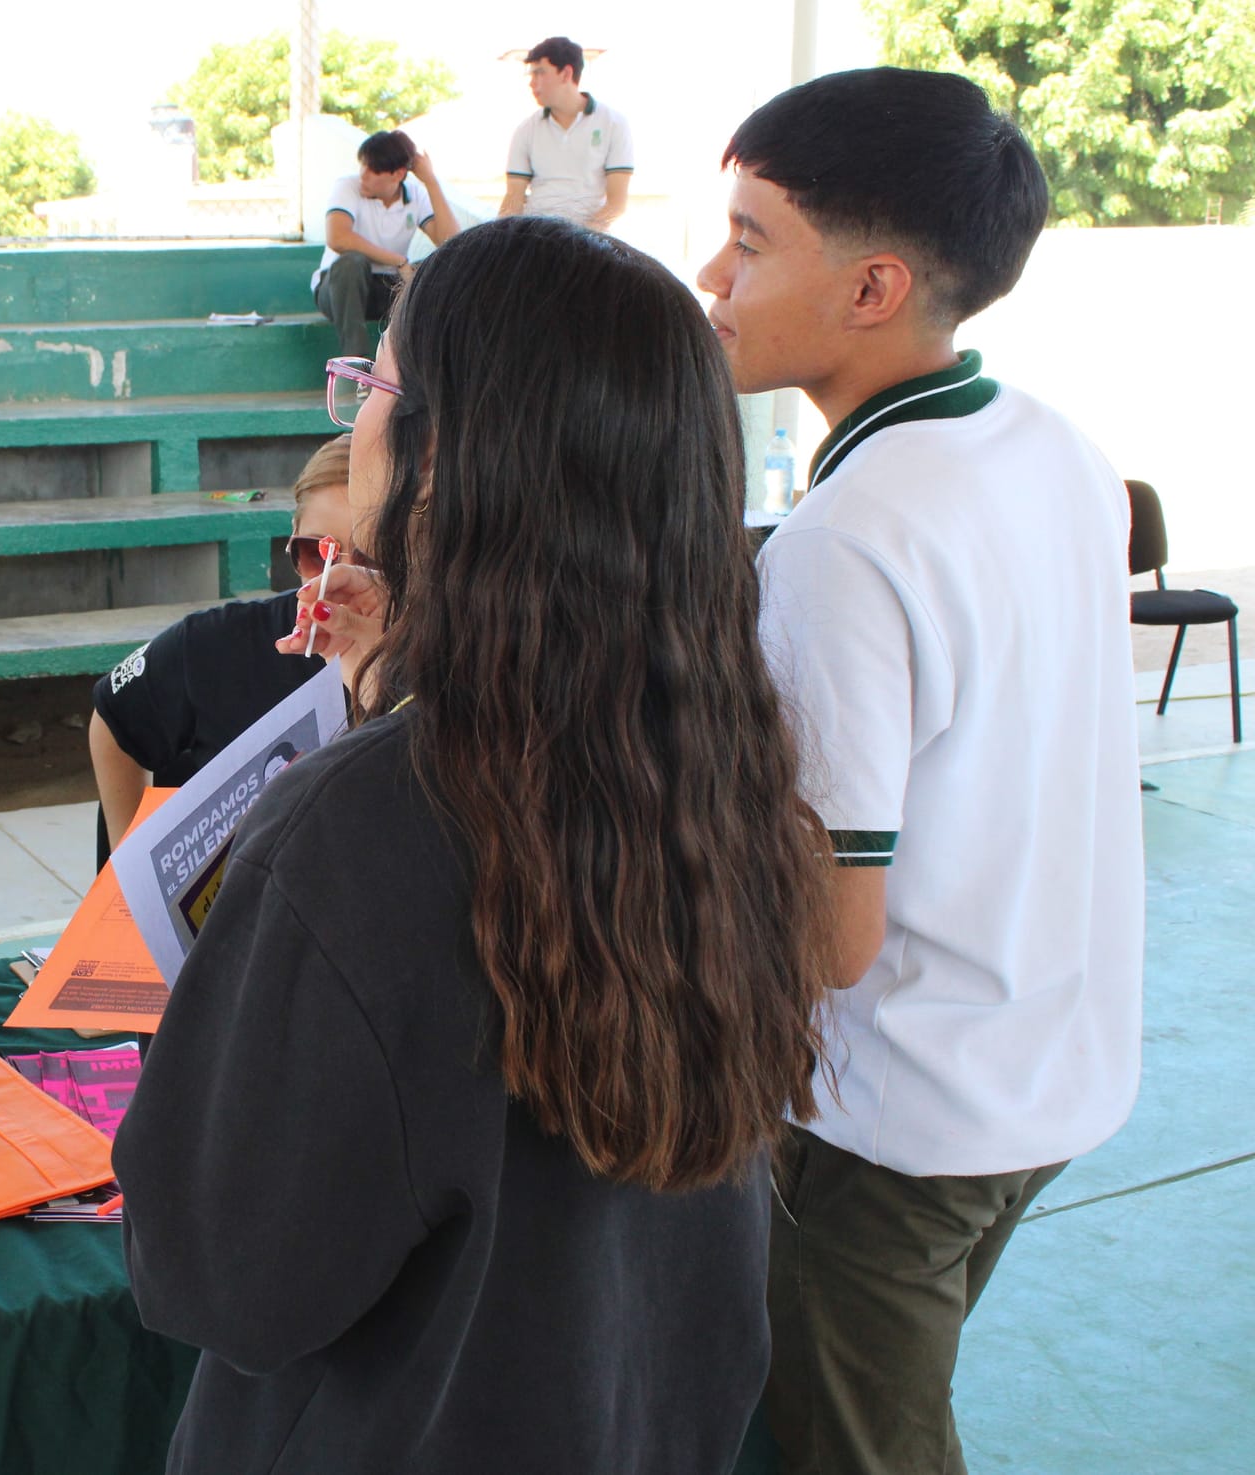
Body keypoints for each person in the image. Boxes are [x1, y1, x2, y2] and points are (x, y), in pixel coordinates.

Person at [114, 215, 838, 1474]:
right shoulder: (726, 764)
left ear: (448, 453)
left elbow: (221, 1280)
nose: (360, 413)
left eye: (376, 383)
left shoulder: (367, 821)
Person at [695, 69, 1144, 1474]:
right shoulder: (1058, 449)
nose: (712, 274)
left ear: (873, 285)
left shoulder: (849, 540)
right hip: (1051, 1063)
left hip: (896, 1118)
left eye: (751, 238)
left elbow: (829, 936)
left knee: (862, 1447)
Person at [88, 436, 354, 865]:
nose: (336, 581)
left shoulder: (442, 670)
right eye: (317, 554)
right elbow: (115, 717)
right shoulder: (216, 647)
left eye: (371, 560)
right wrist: (127, 869)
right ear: (292, 538)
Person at [312, 131, 459, 360]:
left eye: (373, 170)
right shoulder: (347, 187)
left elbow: (452, 243)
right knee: (352, 262)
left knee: (437, 269)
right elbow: (338, 238)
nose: (364, 175)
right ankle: (357, 364)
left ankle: (424, 365)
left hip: (388, 288)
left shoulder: (415, 195)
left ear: (398, 174)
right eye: (363, 166)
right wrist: (397, 260)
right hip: (339, 289)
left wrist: (431, 181)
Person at [499, 36, 634, 231]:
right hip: (536, 237)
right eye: (531, 75)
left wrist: (579, 239)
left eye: (540, 73)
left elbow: (617, 204)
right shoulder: (526, 130)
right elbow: (513, 199)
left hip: (590, 242)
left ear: (566, 73)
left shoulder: (613, 123)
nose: (532, 83)